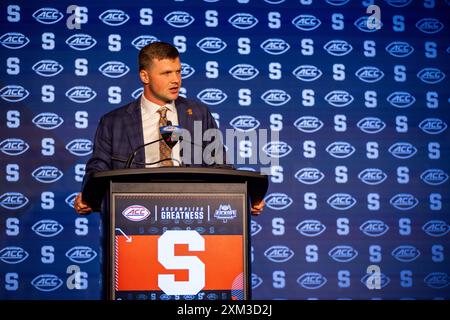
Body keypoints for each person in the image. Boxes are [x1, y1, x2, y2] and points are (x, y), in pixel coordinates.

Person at [74, 41, 265, 215]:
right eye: (166, 73)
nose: (176, 80)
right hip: (135, 212)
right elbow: (97, 169)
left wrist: (242, 199)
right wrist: (89, 197)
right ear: (144, 76)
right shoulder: (114, 121)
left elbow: (220, 166)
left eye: (178, 72)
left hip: (194, 211)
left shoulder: (198, 114)